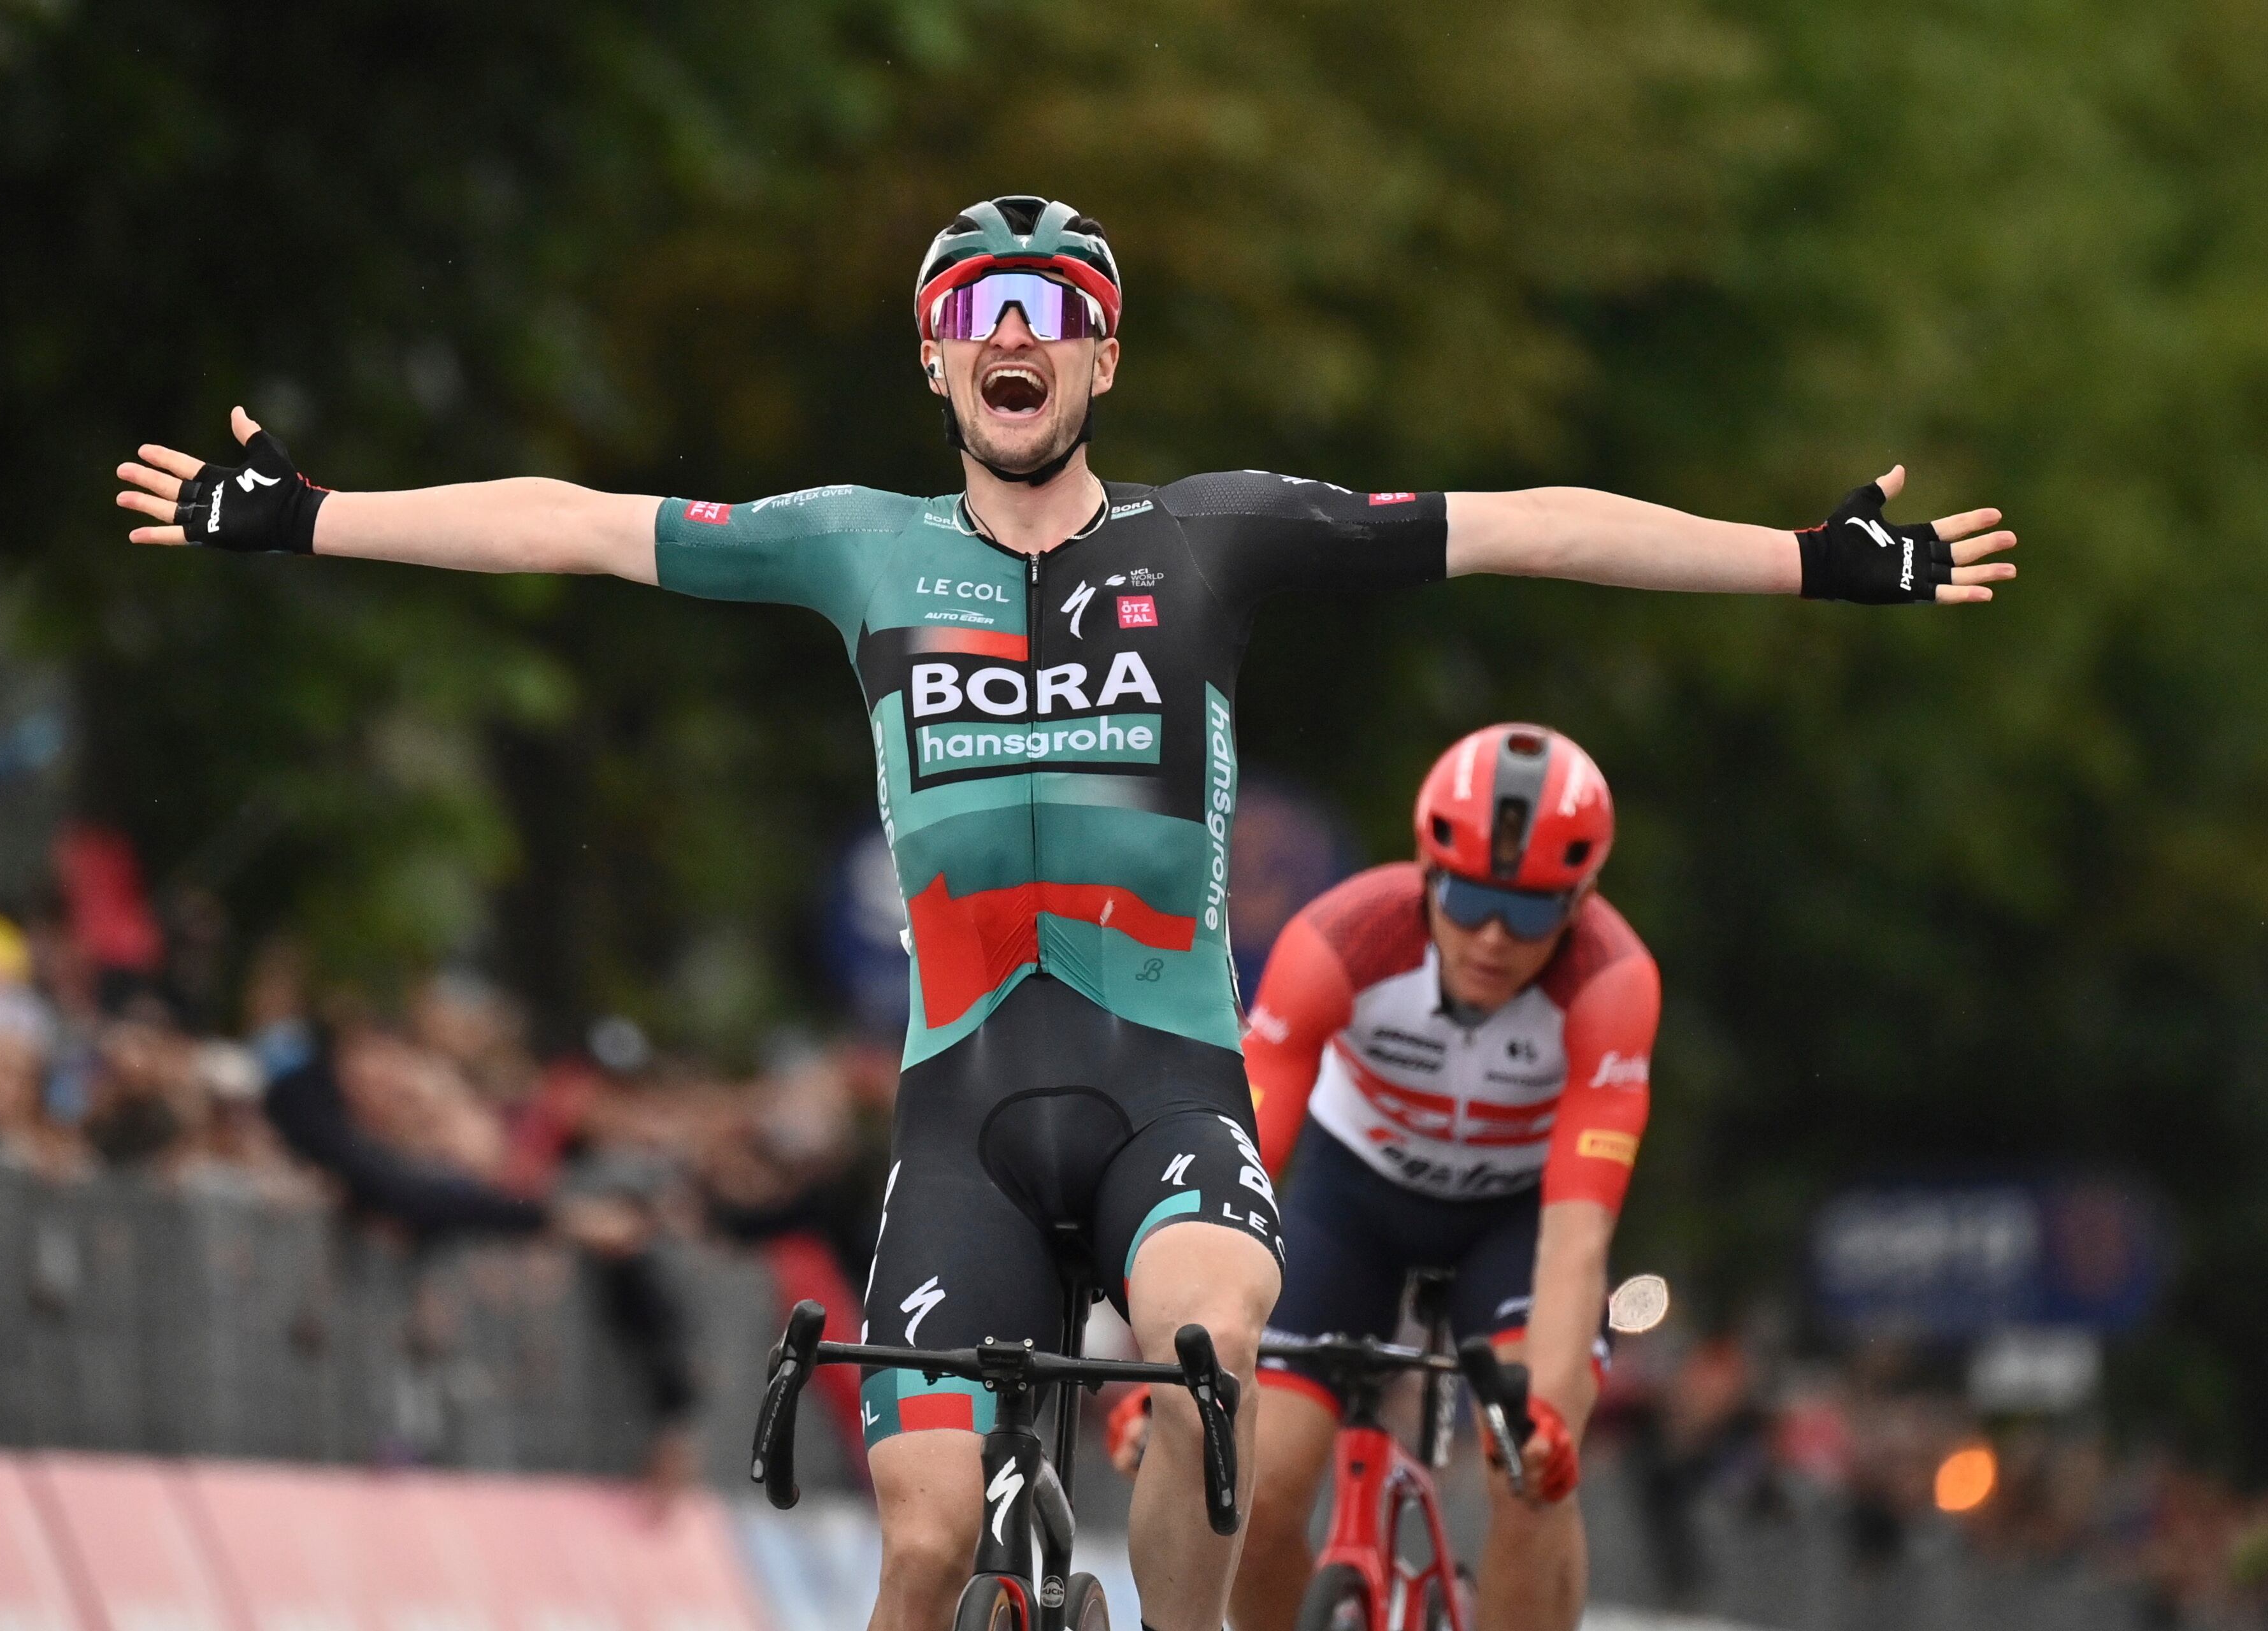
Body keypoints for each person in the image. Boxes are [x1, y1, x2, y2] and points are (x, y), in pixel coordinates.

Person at [115, 196, 2016, 1631]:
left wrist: (1811, 563)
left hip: (1169, 1105)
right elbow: (579, 520)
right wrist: (310, 515)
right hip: (959, 1121)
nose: (1016, 340)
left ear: (1103, 363)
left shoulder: (1217, 537)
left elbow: (1526, 518)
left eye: (1055, 317)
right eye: (978, 318)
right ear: (938, 364)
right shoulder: (855, 547)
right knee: (926, 1547)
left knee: (1205, 1360)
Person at [1230, 723, 1649, 1631]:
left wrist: (1545, 1412)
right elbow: (1241, 1163)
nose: (1494, 939)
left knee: (1528, 1468)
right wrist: (1166, 1362)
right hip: (1352, 1205)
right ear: (1426, 871)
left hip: (1517, 1223)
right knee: (1255, 1484)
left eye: (1533, 912)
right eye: (1466, 900)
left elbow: (1579, 1236)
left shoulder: (1612, 983)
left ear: (1580, 903)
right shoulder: (1341, 936)